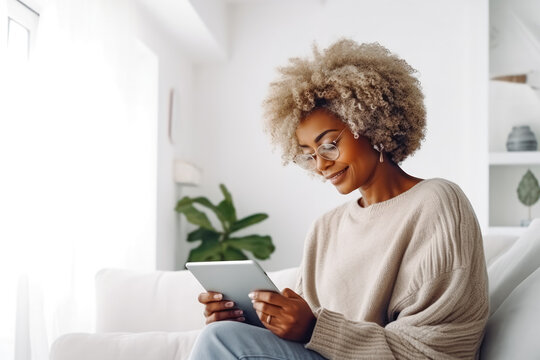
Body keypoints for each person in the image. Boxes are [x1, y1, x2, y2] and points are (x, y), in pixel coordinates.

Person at [188, 38, 488, 359]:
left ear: (372, 125)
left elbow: (436, 348)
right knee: (222, 333)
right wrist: (250, 321)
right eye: (309, 155)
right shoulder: (325, 228)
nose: (321, 164)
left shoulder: (437, 202)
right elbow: (306, 336)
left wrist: (313, 328)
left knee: (220, 341)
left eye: (329, 144)